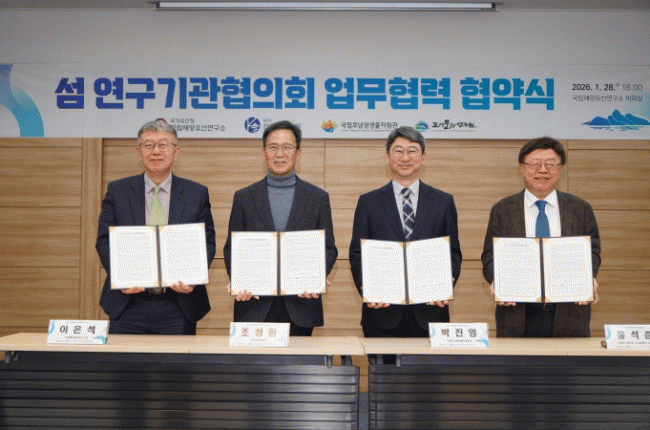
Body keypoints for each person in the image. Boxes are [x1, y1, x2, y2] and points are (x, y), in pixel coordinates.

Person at [96, 119, 216, 334]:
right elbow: (104, 240)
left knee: (178, 358)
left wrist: (193, 278)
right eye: (148, 145)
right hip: (128, 303)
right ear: (139, 151)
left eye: (163, 145)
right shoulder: (118, 191)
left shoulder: (196, 193)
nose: (156, 151)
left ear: (176, 152)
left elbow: (207, 241)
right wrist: (120, 277)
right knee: (124, 358)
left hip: (179, 305)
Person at [223, 120, 338, 336]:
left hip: (301, 304)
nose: (279, 154)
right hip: (254, 303)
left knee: (300, 359)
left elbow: (328, 248)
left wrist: (315, 277)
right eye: (273, 147)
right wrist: (240, 280)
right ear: (263, 152)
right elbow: (231, 248)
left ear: (298, 153)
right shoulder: (244, 197)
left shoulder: (318, 198)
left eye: (287, 147)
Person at [349, 126, 462, 340]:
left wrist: (445, 285)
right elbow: (357, 253)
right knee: (382, 364)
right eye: (398, 151)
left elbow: (453, 253)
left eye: (412, 151)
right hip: (381, 313)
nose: (405, 158)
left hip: (430, 312)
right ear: (387, 157)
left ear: (423, 157)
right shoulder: (368, 202)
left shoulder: (443, 201)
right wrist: (369, 290)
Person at [481, 136, 601, 337]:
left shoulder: (580, 208)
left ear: (560, 169)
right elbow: (489, 255)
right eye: (535, 164)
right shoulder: (502, 209)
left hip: (569, 311)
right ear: (522, 168)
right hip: (516, 312)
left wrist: (588, 276)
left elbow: (593, 251)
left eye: (551, 164)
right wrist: (498, 280)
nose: (543, 170)